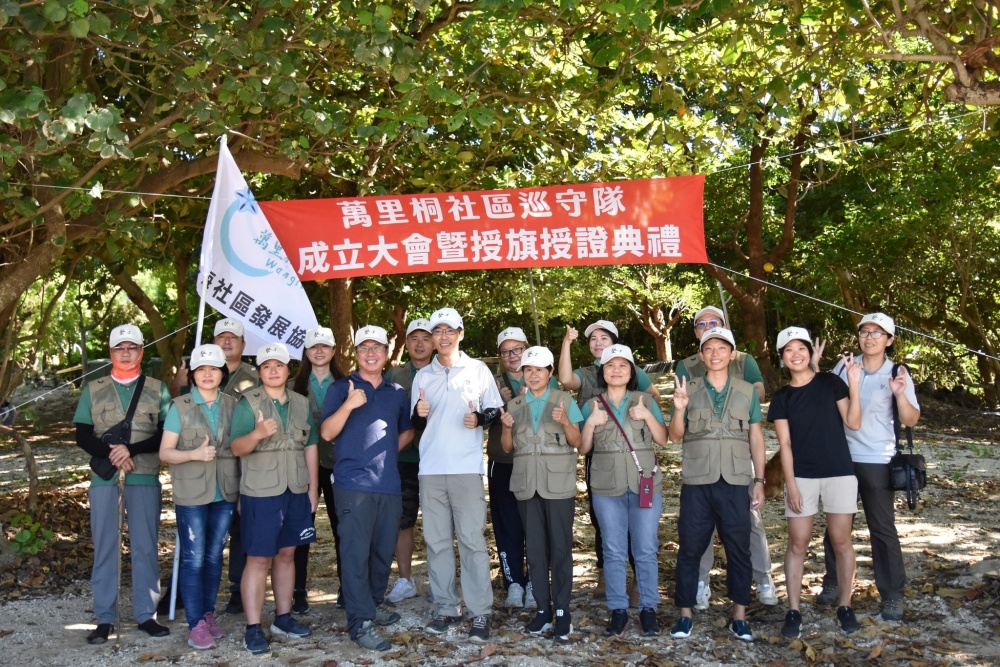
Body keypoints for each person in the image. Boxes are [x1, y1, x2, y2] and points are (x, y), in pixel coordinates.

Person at [816, 312, 921, 621]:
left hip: (878, 459)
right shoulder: (846, 366)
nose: (870, 337)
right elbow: (825, 401)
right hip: (842, 458)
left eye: (878, 333)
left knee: (882, 528)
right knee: (837, 527)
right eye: (865, 331)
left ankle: (892, 595)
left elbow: (911, 419)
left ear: (889, 340)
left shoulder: (897, 372)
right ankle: (833, 583)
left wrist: (900, 394)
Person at [74, 324, 173, 644]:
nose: (126, 352)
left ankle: (146, 614)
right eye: (120, 347)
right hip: (104, 481)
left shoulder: (158, 389)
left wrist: (131, 449)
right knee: (106, 546)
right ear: (110, 352)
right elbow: (82, 434)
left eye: (132, 347)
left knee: (145, 546)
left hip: (144, 476)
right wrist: (114, 454)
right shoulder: (93, 388)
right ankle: (105, 617)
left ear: (142, 351)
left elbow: (164, 432)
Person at [666, 328, 765, 642]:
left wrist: (759, 480)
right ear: (702, 354)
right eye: (709, 348)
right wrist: (680, 408)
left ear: (732, 354)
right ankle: (684, 614)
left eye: (722, 347)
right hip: (698, 481)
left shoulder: (747, 391)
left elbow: (756, 437)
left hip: (736, 480)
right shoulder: (688, 387)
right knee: (690, 548)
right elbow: (674, 435)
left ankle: (739, 617)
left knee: (739, 549)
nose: (715, 353)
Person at [675, 306, 777, 608]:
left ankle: (762, 579)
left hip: (736, 462)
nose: (708, 328)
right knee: (698, 530)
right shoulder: (687, 366)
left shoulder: (743, 361)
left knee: (749, 524)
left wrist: (735, 388)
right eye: (702, 325)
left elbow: (758, 396)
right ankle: (700, 583)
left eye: (714, 325)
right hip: (700, 465)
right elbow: (679, 420)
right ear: (697, 338)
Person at [412, 307, 503, 643]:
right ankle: (447, 607)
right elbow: (418, 422)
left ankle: (480, 612)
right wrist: (419, 414)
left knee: (471, 541)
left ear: (460, 333)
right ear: (433, 337)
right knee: (436, 542)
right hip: (431, 469)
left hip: (466, 468)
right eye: (438, 331)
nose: (444, 337)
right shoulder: (423, 375)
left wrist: (479, 419)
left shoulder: (478, 370)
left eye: (450, 330)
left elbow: (494, 409)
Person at [321, 325, 414, 651]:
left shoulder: (396, 392)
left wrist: (387, 453)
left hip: (387, 483)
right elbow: (327, 433)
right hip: (352, 485)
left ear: (387, 354)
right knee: (355, 553)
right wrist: (348, 405)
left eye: (377, 348)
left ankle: (372, 605)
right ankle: (360, 622)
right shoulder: (341, 388)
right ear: (356, 353)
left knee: (381, 551)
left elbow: (406, 432)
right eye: (364, 348)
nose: (371, 353)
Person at [768, 327, 862, 639]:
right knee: (797, 542)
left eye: (801, 348)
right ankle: (793, 610)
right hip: (803, 476)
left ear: (810, 352)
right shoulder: (782, 398)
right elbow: (786, 445)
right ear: (782, 358)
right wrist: (791, 485)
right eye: (789, 350)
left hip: (839, 472)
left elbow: (853, 422)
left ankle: (845, 605)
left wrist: (855, 385)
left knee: (841, 541)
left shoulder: (830, 382)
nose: (796, 354)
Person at [557, 320, 660, 601]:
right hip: (600, 456)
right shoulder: (589, 373)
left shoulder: (631, 369)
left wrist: (645, 413)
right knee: (603, 518)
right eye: (593, 339)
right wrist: (566, 341)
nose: (598, 343)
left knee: (640, 526)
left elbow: (654, 401)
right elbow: (566, 381)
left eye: (604, 338)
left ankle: (640, 581)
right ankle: (607, 575)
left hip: (635, 459)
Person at [229, 343, 319, 654]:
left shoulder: (301, 403)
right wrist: (256, 434)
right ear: (260, 370)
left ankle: (283, 617)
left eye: (278, 365)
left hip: (295, 489)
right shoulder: (248, 403)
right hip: (261, 492)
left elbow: (310, 447)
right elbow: (236, 448)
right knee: (257, 559)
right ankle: (253, 627)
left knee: (286, 555)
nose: (273, 370)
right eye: (266, 366)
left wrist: (312, 490)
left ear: (288, 369)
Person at [579, 344, 670, 639]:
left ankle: (648, 609)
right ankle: (618, 610)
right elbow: (583, 448)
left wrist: (647, 415)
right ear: (602, 372)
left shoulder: (644, 399)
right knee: (614, 550)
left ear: (632, 372)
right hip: (606, 486)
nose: (616, 371)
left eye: (623, 366)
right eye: (610, 366)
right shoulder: (592, 404)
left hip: (644, 484)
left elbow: (664, 439)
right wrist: (590, 424)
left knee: (645, 548)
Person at [500, 346, 583, 642]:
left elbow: (578, 441)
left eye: (539, 370)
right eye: (528, 370)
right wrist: (506, 428)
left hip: (557, 484)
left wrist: (565, 422)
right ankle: (542, 611)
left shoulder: (564, 400)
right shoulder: (515, 405)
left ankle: (562, 612)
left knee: (560, 549)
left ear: (550, 373)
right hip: (526, 484)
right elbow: (508, 447)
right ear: (523, 373)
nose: (533, 375)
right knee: (534, 550)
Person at [159, 344, 238, 650]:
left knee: (214, 556)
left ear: (222, 373)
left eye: (214, 369)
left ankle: (208, 613)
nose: (208, 374)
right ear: (192, 374)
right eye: (201, 369)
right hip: (191, 492)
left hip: (225, 491)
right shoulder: (180, 406)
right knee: (193, 558)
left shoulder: (233, 405)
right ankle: (195, 623)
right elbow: (165, 452)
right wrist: (193, 453)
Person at [487, 327, 551, 609]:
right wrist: (497, 403)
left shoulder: (544, 377)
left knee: (537, 524)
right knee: (507, 524)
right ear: (500, 355)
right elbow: (478, 419)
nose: (512, 356)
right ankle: (513, 581)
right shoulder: (490, 382)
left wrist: (531, 397)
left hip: (537, 462)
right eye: (506, 351)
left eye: (517, 349)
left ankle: (537, 581)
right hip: (503, 462)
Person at [289, 327, 343, 614]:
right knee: (300, 529)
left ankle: (348, 586)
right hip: (301, 465)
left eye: (325, 346)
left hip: (338, 464)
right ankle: (298, 590)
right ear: (306, 352)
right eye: (313, 347)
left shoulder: (347, 383)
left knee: (342, 528)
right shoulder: (292, 385)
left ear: (333, 351)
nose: (319, 351)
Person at [384, 318, 433, 603]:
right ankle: (406, 579)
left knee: (441, 521)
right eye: (413, 338)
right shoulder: (395, 375)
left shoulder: (446, 372)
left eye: (425, 338)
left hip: (439, 456)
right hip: (405, 456)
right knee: (403, 520)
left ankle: (442, 582)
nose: (419, 343)